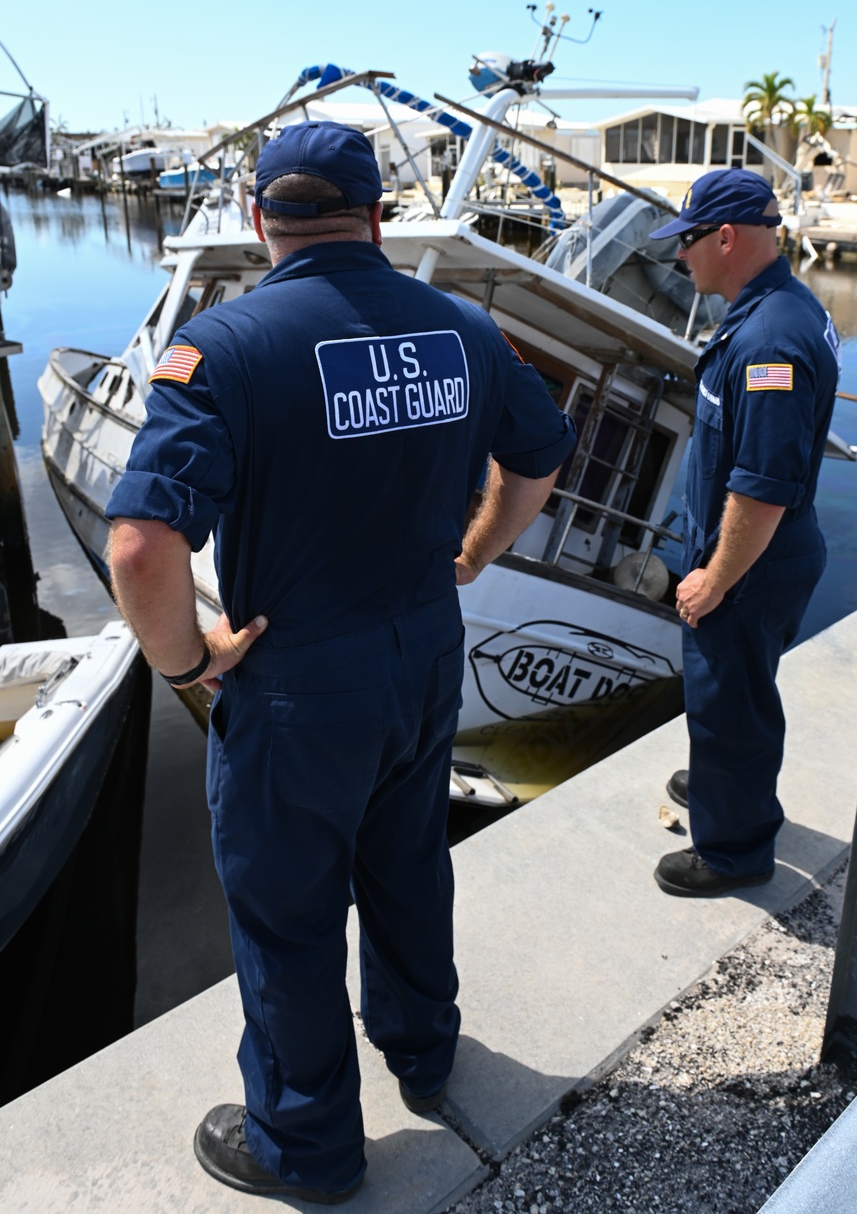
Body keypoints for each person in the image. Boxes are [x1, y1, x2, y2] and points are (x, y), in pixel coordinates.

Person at [106, 121, 576, 1205]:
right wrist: (475, 551)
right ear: (377, 216)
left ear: (262, 219)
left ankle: (305, 1145)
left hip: (298, 679)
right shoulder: (463, 328)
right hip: (420, 657)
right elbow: (542, 454)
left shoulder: (224, 347)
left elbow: (139, 544)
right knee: (408, 861)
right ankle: (421, 1047)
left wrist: (188, 665)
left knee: (288, 910)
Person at [648, 168, 840, 899]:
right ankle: (727, 785)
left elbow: (760, 488)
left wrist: (714, 578)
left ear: (725, 237)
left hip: (753, 561)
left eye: (688, 241)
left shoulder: (767, 346)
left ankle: (733, 850)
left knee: (733, 699)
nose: (679, 257)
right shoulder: (773, 308)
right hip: (764, 550)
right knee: (735, 693)